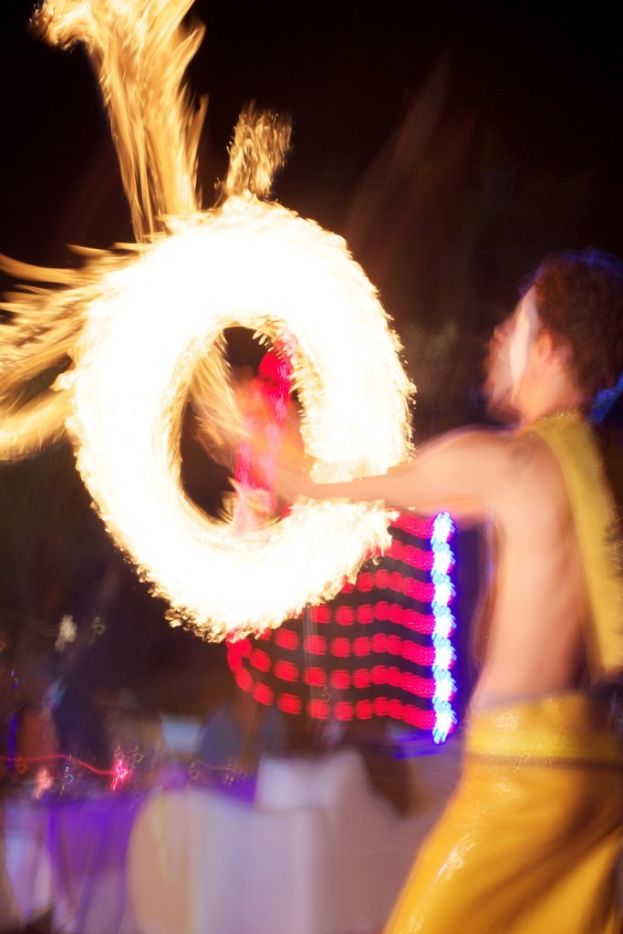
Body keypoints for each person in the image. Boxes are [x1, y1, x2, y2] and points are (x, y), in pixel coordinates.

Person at [278, 249, 623, 933]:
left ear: (550, 350)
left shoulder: (510, 461)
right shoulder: (598, 469)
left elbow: (329, 481)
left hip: (522, 774)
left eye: (516, 324)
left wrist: (258, 437)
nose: (497, 335)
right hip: (599, 772)